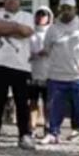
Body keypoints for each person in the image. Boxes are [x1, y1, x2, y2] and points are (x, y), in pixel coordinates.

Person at [0, 0, 35, 149]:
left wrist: (9, 27)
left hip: (20, 65)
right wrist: (16, 28)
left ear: (20, 0)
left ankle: (24, 135)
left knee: (22, 103)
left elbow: (27, 31)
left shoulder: (28, 16)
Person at [39, 0, 79, 145]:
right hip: (56, 76)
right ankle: (53, 133)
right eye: (64, 8)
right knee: (55, 108)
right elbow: (47, 49)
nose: (67, 11)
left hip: (78, 76)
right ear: (59, 9)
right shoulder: (52, 29)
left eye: (70, 8)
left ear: (75, 9)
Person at [29, 7, 53, 136]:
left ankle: (48, 126)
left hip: (48, 72)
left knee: (47, 102)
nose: (41, 17)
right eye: (38, 14)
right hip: (33, 71)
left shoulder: (52, 32)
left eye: (44, 15)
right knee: (33, 101)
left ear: (49, 17)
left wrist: (48, 52)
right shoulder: (30, 32)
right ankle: (32, 127)